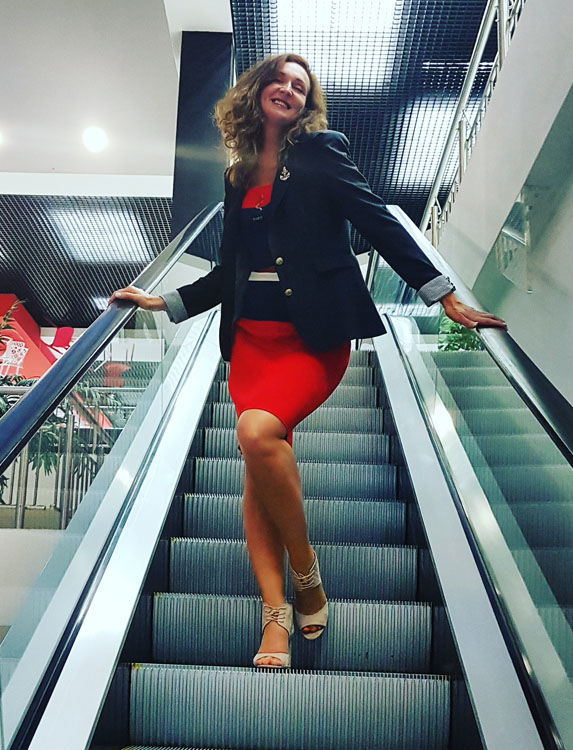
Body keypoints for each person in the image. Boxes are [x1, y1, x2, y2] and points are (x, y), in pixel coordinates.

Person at [110, 53, 506, 669]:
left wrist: (442, 294)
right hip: (251, 342)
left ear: (306, 103)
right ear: (257, 90)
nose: (289, 90)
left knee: (255, 433)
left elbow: (377, 219)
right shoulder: (238, 175)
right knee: (257, 463)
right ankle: (275, 617)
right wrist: (163, 301)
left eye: (300, 86)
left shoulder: (323, 152)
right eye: (279, 80)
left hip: (311, 341)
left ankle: (306, 572)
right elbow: (230, 271)